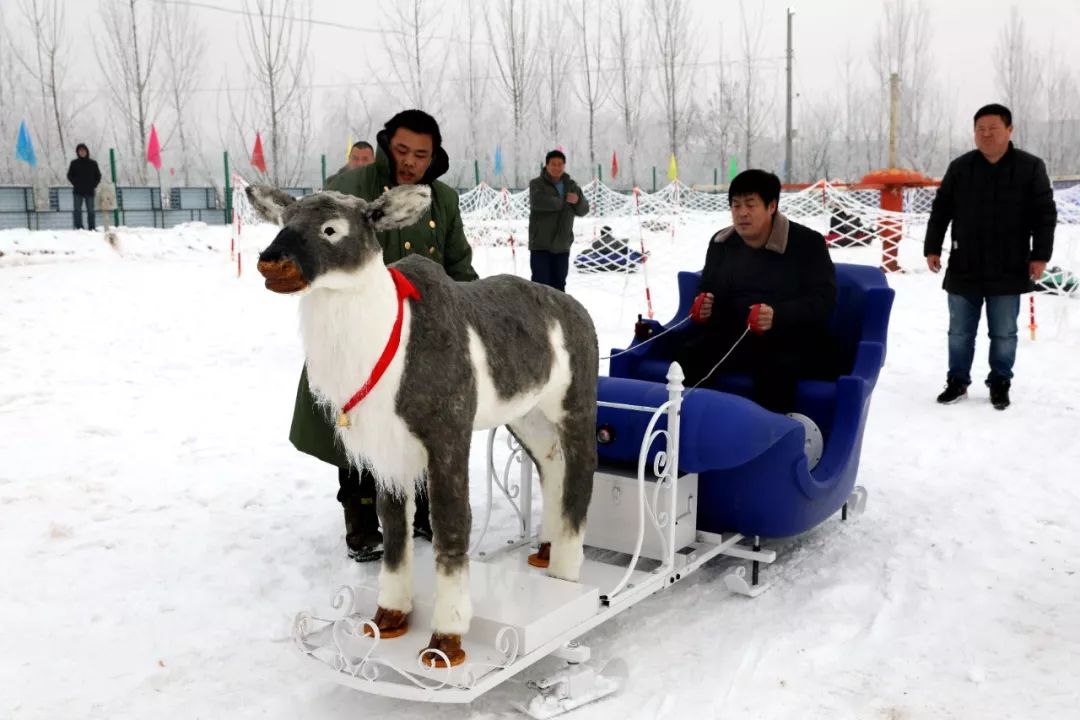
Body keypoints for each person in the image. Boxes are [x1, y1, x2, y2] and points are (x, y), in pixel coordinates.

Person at [291, 110, 478, 562]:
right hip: (358, 336)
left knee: (423, 427)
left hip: (421, 340)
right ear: (384, 145)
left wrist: (476, 314)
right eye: (401, 151)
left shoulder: (444, 200)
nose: (410, 162)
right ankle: (360, 518)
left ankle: (425, 508)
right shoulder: (350, 192)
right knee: (356, 428)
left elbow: (458, 266)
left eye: (421, 155)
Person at [924, 103, 1056, 410]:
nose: (986, 135)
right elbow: (941, 210)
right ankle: (957, 380)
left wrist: (1040, 256)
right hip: (964, 265)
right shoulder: (961, 167)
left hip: (1010, 266)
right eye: (980, 129)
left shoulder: (1030, 167)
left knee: (1004, 332)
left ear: (1009, 130)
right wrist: (932, 247)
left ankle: (1000, 381)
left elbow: (1044, 215)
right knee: (959, 331)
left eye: (993, 129)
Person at [677, 169, 837, 414]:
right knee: (690, 356)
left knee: (775, 369)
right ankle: (690, 427)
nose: (742, 213)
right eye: (736, 205)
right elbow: (707, 287)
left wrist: (778, 315)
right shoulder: (722, 244)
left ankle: (769, 439)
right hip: (736, 336)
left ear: (771, 206)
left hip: (791, 339)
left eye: (750, 204)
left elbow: (823, 301)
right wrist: (704, 303)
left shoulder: (807, 244)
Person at [528, 150, 590, 291]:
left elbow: (584, 209)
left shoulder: (572, 186)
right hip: (541, 245)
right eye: (553, 164)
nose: (556, 167)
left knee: (559, 286)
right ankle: (538, 314)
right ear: (547, 165)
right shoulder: (537, 184)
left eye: (560, 164)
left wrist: (577, 201)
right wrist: (563, 201)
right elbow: (538, 202)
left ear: (564, 166)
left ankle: (558, 314)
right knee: (540, 287)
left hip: (562, 245)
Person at [67, 144, 102, 230]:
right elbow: (69, 175)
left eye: (84, 150)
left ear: (87, 151)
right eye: (80, 151)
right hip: (77, 191)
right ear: (78, 152)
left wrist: (94, 184)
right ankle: (79, 227)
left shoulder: (93, 163)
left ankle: (92, 228)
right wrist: (75, 183)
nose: (82, 152)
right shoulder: (74, 163)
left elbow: (98, 175)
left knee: (91, 210)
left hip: (89, 191)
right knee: (77, 210)